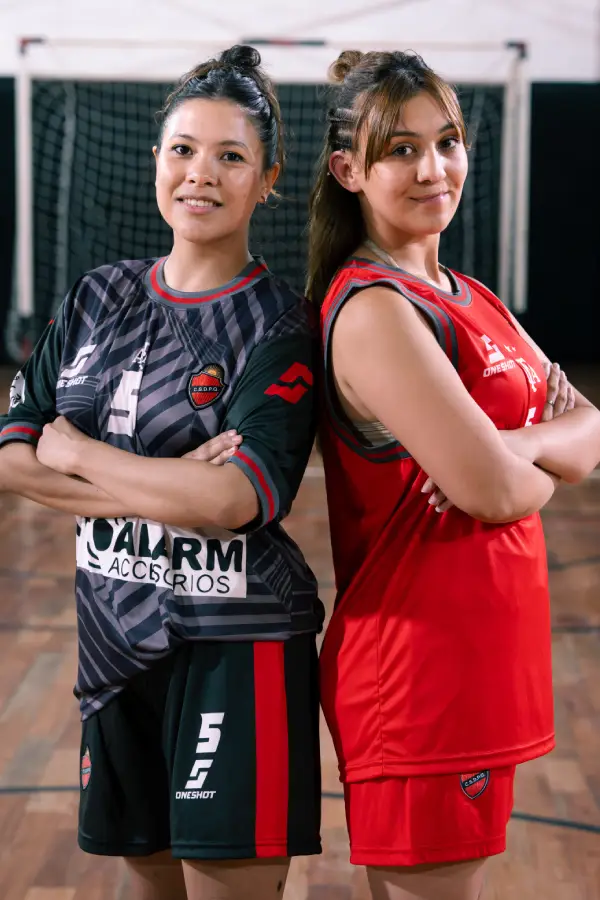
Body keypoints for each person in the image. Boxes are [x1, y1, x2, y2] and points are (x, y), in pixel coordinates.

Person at [0, 45, 323, 900]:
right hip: (113, 638)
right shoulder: (96, 298)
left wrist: (78, 453)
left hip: (236, 644)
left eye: (230, 156)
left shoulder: (280, 325)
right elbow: (11, 458)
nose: (200, 174)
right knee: (146, 882)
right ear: (156, 160)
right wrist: (170, 487)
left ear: (268, 179)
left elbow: (236, 498)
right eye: (183, 149)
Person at [307, 49, 600, 900]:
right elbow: (494, 493)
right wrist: (529, 454)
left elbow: (589, 434)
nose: (433, 168)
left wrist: (510, 444)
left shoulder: (469, 295)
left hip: (478, 670)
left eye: (447, 141)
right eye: (401, 150)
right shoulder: (375, 309)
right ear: (349, 171)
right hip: (418, 678)